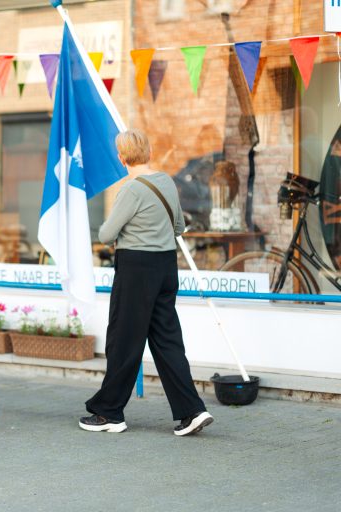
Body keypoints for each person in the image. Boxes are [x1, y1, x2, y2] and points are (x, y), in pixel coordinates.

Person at [80, 129, 213, 436]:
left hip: (136, 269)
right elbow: (179, 225)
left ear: (122, 157)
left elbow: (105, 234)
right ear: (149, 152)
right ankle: (192, 411)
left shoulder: (131, 189)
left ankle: (109, 413)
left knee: (123, 341)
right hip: (166, 266)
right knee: (168, 341)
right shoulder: (167, 181)